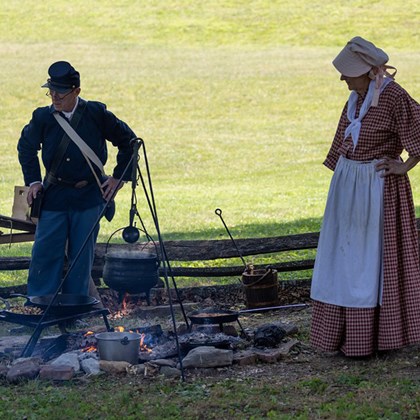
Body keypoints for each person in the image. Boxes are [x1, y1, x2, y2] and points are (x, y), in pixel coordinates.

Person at [310, 36, 420, 357]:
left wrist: (405, 167)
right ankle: (340, 335)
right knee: (343, 260)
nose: (342, 77)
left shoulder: (393, 97)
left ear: (369, 72)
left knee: (368, 263)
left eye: (348, 72)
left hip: (377, 190)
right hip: (350, 189)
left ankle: (375, 338)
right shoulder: (357, 97)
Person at [18, 61, 136, 297]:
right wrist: (34, 182)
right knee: (45, 253)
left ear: (76, 91)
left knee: (81, 258)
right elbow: (26, 147)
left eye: (60, 92)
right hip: (54, 196)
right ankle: (40, 307)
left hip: (89, 197)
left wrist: (117, 178)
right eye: (51, 91)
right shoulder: (43, 117)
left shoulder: (96, 114)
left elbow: (130, 142)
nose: (54, 97)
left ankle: (76, 308)